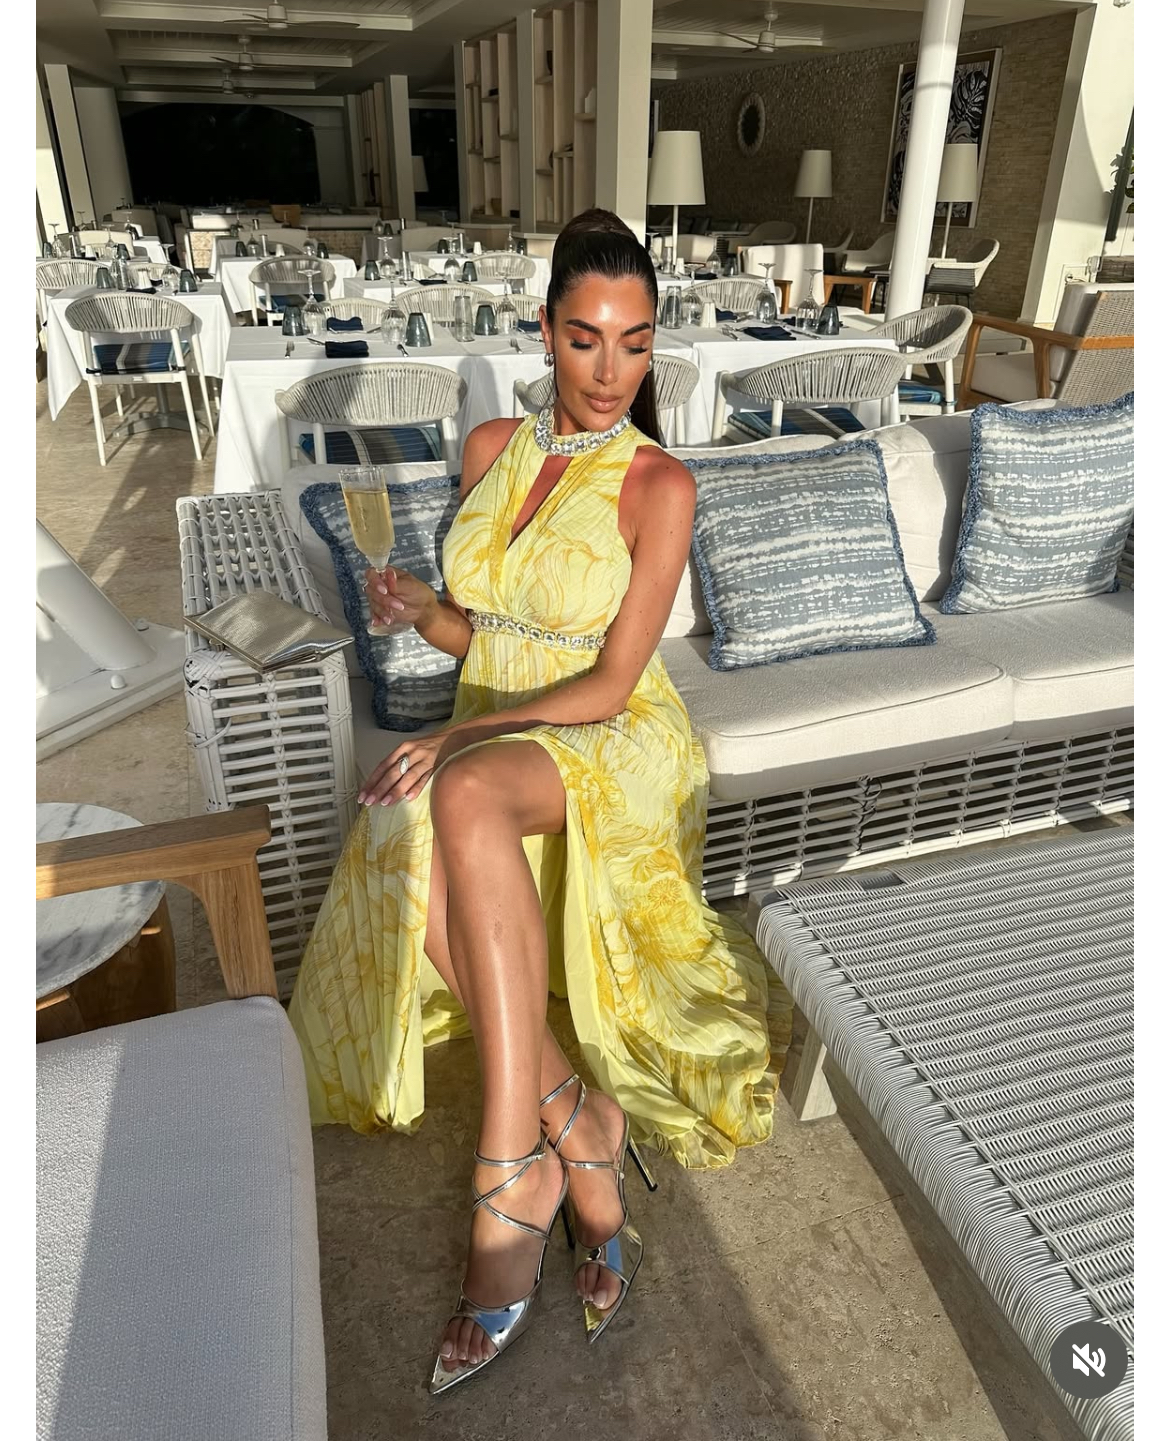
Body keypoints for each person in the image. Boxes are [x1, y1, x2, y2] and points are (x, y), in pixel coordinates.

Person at [288, 208, 793, 1395]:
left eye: (636, 342)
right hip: (502, 716)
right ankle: (578, 1122)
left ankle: (509, 1164)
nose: (611, 371)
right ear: (545, 329)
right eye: (584, 338)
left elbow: (612, 679)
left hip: (613, 735)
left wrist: (455, 730)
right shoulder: (487, 450)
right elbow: (488, 634)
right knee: (402, 819)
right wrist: (425, 611)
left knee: (453, 786)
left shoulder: (660, 482)